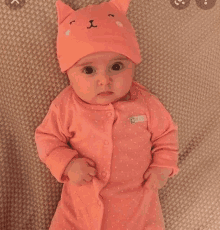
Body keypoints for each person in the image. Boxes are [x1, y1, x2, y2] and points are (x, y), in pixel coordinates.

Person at [35, 0, 180, 229]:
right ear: (68, 73)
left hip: (138, 212)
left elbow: (166, 135)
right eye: (89, 70)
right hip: (78, 213)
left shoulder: (144, 103)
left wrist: (162, 166)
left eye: (116, 67)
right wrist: (67, 164)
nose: (104, 80)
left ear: (133, 64)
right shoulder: (67, 106)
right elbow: (46, 139)